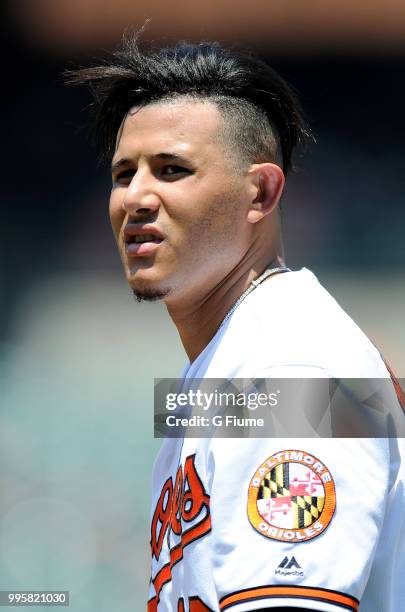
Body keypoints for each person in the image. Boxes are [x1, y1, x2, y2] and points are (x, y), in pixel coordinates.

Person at [69, 33, 405, 612]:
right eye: (125, 174)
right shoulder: (225, 366)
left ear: (262, 191)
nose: (136, 197)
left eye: (172, 169)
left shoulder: (291, 367)